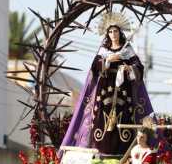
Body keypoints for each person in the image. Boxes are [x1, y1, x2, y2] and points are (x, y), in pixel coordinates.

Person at [60, 12, 153, 156]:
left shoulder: (127, 50)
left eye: (115, 31)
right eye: (110, 31)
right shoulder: (103, 50)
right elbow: (95, 67)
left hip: (124, 91)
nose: (113, 34)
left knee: (125, 117)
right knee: (101, 117)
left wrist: (128, 68)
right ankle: (101, 149)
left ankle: (122, 151)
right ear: (107, 34)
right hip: (105, 91)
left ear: (120, 32)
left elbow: (139, 68)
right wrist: (108, 60)